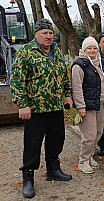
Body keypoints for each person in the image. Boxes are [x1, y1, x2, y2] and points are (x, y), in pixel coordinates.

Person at [10, 18, 73, 198]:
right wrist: (23, 105)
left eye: (51, 33)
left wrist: (67, 95)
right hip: (35, 110)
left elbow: (64, 77)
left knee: (57, 139)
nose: (48, 36)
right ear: (36, 35)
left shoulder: (58, 52)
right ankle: (28, 178)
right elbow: (17, 80)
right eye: (44, 33)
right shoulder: (26, 53)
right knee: (32, 144)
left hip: (55, 107)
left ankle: (53, 169)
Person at [72, 37, 104, 174]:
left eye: (94, 48)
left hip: (100, 103)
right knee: (89, 135)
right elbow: (76, 88)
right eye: (89, 48)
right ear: (84, 50)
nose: (92, 50)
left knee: (98, 133)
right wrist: (80, 107)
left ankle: (90, 157)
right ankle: (83, 161)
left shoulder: (101, 62)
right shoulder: (79, 65)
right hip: (87, 106)